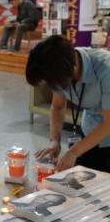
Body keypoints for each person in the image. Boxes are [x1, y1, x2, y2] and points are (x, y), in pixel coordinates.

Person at [27, 35, 110, 173]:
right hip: (90, 130)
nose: (54, 87)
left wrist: (73, 152)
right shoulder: (58, 66)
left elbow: (109, 124)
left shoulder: (105, 69)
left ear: (71, 69)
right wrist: (55, 141)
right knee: (85, 182)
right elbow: (58, 106)